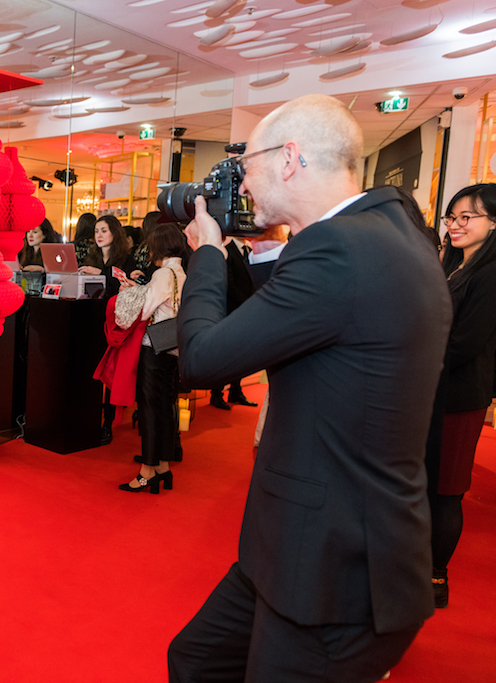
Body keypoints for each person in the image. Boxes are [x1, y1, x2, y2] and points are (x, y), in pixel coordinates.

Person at [169, 94, 451, 682]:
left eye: (245, 169)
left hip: (332, 570)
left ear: (289, 158)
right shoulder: (389, 230)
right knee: (195, 658)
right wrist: (273, 245)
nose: (240, 188)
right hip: (308, 542)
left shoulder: (339, 250)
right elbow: (292, 322)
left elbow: (201, 358)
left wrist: (207, 255)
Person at [425, 183, 496, 609]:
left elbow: (464, 343)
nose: (455, 225)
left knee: (447, 490)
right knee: (423, 486)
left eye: (466, 217)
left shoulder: (490, 274)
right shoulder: (453, 265)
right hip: (431, 393)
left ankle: (436, 574)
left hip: (458, 397)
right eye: (451, 217)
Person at [117, 222, 187, 493]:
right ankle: (162, 467)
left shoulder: (162, 274)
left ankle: (147, 471)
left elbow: (145, 312)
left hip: (155, 346)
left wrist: (131, 293)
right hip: (174, 345)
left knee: (148, 408)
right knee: (165, 406)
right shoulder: (180, 272)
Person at [81, 214, 139, 444]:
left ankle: (108, 424)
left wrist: (101, 275)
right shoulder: (92, 257)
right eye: (96, 231)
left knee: (110, 373)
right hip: (91, 317)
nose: (99, 235)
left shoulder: (127, 259)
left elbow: (127, 286)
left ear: (114, 233)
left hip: (115, 322)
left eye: (104, 230)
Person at [208, 236, 257, 410]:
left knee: (241, 353)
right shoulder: (227, 250)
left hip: (247, 310)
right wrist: (249, 303)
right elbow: (228, 283)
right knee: (223, 353)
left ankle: (236, 390)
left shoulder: (250, 251)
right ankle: (216, 393)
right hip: (229, 309)